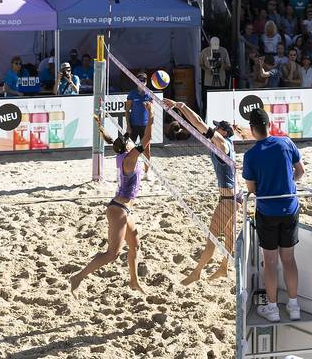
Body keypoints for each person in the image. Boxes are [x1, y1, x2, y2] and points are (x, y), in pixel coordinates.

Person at [70, 104, 152, 296]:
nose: (131, 141)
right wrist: (152, 115)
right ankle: (78, 277)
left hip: (124, 209)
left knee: (135, 243)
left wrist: (126, 112)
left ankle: (133, 282)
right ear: (127, 147)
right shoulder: (129, 158)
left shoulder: (123, 154)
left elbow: (127, 133)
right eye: (129, 141)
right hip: (118, 210)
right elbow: (146, 140)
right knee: (112, 254)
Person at [165, 99, 239, 284]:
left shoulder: (222, 143)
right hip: (234, 197)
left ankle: (197, 271)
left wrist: (180, 106)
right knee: (228, 235)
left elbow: (199, 122)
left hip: (228, 199)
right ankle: (224, 267)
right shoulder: (227, 144)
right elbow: (198, 127)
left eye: (217, 128)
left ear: (222, 132)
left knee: (212, 238)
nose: (213, 130)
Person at [242, 107, 305, 323]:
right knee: (288, 259)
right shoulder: (286, 143)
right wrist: (288, 184)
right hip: (289, 207)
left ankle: (273, 308)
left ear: (252, 129)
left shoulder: (251, 155)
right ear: (269, 125)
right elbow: (301, 171)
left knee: (270, 262)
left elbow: (251, 189)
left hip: (267, 210)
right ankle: (294, 305)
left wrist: (268, 188)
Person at [125, 71, 152, 178]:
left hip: (145, 126)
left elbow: (152, 112)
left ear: (146, 82)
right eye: (139, 80)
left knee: (147, 151)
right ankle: (129, 172)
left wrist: (150, 125)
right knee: (130, 150)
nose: (141, 82)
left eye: (144, 80)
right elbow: (127, 111)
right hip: (134, 125)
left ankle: (146, 173)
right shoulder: (132, 94)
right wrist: (128, 125)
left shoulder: (149, 94)